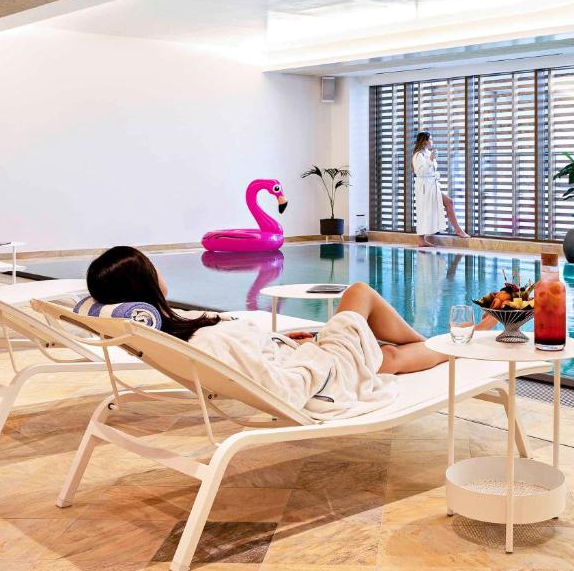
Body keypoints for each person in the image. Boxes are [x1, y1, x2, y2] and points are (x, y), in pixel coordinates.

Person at [84, 246, 447, 419]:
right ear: (145, 282)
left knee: (387, 359)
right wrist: (309, 355)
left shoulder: (169, 328)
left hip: (305, 361)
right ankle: (447, 343)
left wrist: (285, 343)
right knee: (358, 293)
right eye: (152, 265)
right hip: (321, 376)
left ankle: (449, 345)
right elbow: (283, 388)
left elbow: (257, 362)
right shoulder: (204, 338)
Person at [411, 131, 469, 247]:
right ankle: (456, 230)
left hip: (432, 185)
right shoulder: (418, 155)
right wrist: (430, 159)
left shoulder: (427, 153)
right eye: (430, 139)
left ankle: (457, 230)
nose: (432, 141)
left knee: (447, 203)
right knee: (426, 210)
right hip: (425, 187)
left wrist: (431, 159)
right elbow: (420, 172)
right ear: (425, 141)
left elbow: (431, 169)